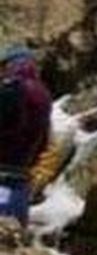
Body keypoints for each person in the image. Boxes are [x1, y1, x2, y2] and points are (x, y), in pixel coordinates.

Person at [0, 45, 52, 226]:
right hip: (22, 173)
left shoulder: (10, 91)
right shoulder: (44, 93)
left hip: (3, 170)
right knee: (14, 231)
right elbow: (44, 138)